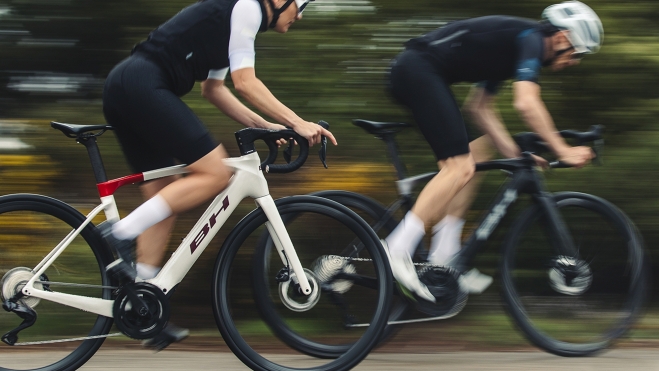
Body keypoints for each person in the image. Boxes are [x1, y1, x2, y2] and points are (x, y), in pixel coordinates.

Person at [102, 0, 336, 351]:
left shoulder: (237, 19)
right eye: (300, 6)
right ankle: (117, 234)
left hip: (127, 85)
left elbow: (215, 90)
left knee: (164, 199)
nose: (299, 15)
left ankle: (141, 304)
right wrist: (297, 122)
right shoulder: (247, 8)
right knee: (215, 174)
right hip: (142, 84)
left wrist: (268, 126)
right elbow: (246, 83)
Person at [384, 1, 602, 302]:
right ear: (564, 37)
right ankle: (396, 249)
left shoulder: (513, 48)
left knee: (478, 150)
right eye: (577, 53)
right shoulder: (531, 40)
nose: (574, 61)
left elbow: (479, 107)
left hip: (422, 71)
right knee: (458, 167)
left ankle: (444, 254)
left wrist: (515, 154)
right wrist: (562, 150)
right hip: (417, 68)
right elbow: (526, 103)